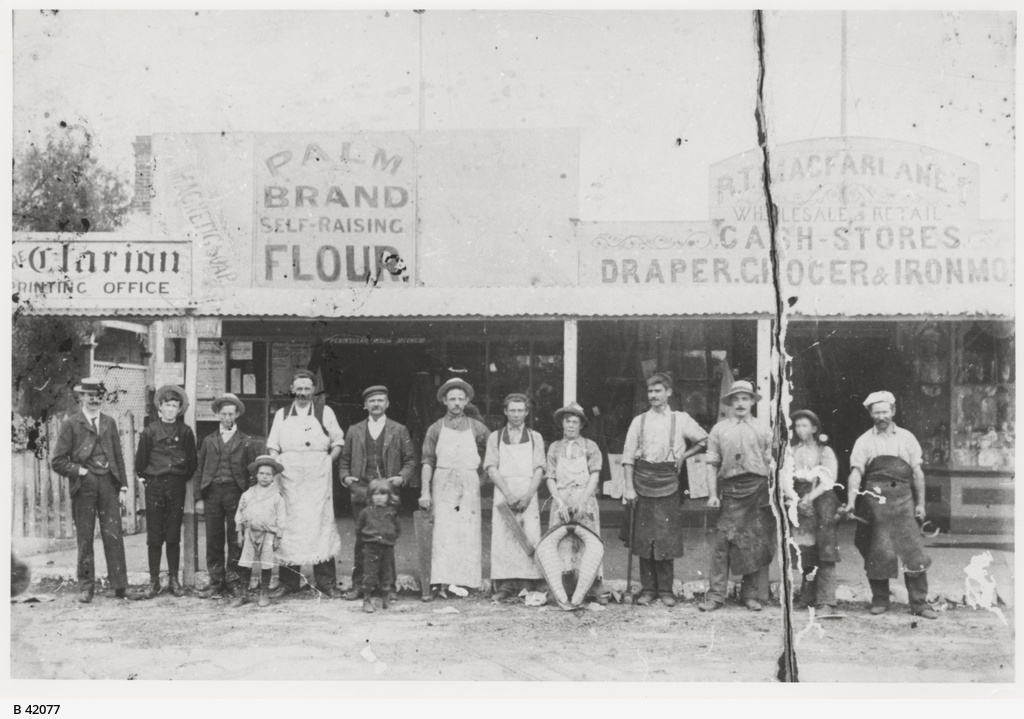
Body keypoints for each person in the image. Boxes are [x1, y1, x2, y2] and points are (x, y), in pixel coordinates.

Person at [842, 391, 937, 619]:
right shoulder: (864, 441)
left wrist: (921, 504)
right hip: (876, 503)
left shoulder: (907, 438)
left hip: (904, 501)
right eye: (877, 413)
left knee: (913, 553)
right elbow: (856, 473)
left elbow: (917, 474)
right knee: (878, 551)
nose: (881, 416)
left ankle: (919, 603)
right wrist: (851, 502)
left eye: (885, 411)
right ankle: (880, 600)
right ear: (871, 415)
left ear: (893, 412)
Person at [621, 373, 708, 607]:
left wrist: (683, 457)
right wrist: (629, 487)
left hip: (668, 484)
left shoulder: (681, 419)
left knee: (666, 539)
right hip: (641, 483)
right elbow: (628, 458)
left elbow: (705, 441)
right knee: (643, 539)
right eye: (650, 392)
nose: (653, 396)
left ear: (668, 393)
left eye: (658, 391)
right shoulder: (639, 421)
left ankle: (666, 590)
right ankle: (648, 590)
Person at [50, 378, 132, 603]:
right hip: (84, 486)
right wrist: (80, 471)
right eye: (89, 396)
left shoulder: (109, 422)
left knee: (113, 536)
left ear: (102, 398)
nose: (94, 400)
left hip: (108, 485)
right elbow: (57, 461)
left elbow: (117, 457)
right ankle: (86, 587)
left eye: (98, 396)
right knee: (85, 538)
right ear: (81, 398)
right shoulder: (72, 424)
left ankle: (120, 586)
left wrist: (122, 486)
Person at [699, 380, 776, 613]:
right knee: (722, 543)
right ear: (730, 402)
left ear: (752, 401)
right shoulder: (719, 429)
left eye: (745, 398)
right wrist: (712, 494)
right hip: (730, 490)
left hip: (758, 490)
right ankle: (716, 596)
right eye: (736, 399)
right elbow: (711, 464)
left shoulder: (764, 429)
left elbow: (773, 463)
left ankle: (750, 595)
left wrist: (774, 493)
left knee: (754, 543)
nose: (740, 403)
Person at [267, 369, 345, 598]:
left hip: (317, 477)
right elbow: (273, 446)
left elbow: (338, 442)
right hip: (289, 477)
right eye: (298, 389)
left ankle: (326, 581)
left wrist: (326, 463)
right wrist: (276, 466)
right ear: (292, 390)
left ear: (313, 390)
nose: (302, 393)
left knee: (321, 523)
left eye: (306, 389)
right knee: (289, 524)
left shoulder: (324, 411)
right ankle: (288, 582)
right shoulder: (282, 414)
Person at [339, 385, 418, 602]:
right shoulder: (355, 430)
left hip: (386, 493)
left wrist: (401, 478)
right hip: (361, 491)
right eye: (372, 401)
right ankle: (358, 586)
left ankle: (388, 587)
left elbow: (411, 459)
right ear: (365, 405)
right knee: (361, 540)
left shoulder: (398, 429)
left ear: (387, 404)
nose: (376, 404)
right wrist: (346, 477)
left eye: (380, 400)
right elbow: (344, 459)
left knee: (387, 540)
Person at [418, 378, 490, 599]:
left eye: (461, 399)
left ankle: (468, 581)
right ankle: (441, 580)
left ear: (467, 400)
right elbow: (427, 461)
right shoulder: (435, 428)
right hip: (443, 482)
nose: (457, 403)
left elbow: (494, 456)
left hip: (469, 483)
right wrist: (425, 491)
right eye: (452, 399)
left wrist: (481, 479)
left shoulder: (478, 427)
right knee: (444, 532)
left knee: (468, 532)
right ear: (444, 401)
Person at [193, 393, 260, 599]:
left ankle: (234, 580)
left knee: (235, 538)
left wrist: (249, 498)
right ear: (217, 415)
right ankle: (216, 581)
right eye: (223, 414)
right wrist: (199, 498)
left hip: (236, 494)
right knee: (213, 538)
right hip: (212, 493)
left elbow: (252, 473)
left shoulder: (246, 441)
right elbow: (200, 469)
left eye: (231, 414)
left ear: (237, 415)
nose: (227, 418)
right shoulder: (208, 440)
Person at [133, 385, 197, 599]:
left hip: (176, 487)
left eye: (174, 406)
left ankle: (173, 580)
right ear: (160, 407)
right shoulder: (150, 431)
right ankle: (153, 581)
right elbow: (140, 463)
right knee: (154, 535)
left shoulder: (186, 432)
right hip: (155, 486)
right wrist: (153, 480)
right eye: (167, 405)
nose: (170, 409)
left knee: (172, 534)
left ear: (179, 409)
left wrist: (176, 477)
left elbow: (192, 462)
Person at [544, 402, 609, 605]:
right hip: (561, 498)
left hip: (584, 497)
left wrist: (582, 501)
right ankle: (563, 589)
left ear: (581, 425)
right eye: (567, 421)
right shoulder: (555, 448)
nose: (570, 425)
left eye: (575, 422)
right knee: (562, 545)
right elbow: (550, 477)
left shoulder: (591, 446)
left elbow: (595, 475)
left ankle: (593, 589)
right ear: (562, 424)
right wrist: (559, 501)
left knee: (587, 543)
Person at [482, 393, 546, 601]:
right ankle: (505, 585)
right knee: (504, 538)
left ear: (526, 413)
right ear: (505, 411)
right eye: (512, 410)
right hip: (504, 490)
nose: (516, 414)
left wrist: (528, 495)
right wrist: (507, 494)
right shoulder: (496, 436)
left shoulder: (535, 437)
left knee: (528, 536)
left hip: (528, 490)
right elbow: (491, 467)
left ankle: (528, 583)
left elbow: (539, 468)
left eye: (520, 410)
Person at [780, 409, 840, 613]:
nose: (800, 429)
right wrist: (794, 498)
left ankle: (826, 600)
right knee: (805, 550)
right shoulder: (791, 451)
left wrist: (810, 498)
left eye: (805, 425)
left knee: (825, 549)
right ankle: (807, 596)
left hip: (822, 499)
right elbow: (785, 475)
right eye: (797, 426)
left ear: (814, 428)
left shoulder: (825, 451)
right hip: (799, 497)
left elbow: (828, 479)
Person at [234, 455, 287, 608]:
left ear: (273, 477)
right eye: (261, 473)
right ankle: (243, 593)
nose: (264, 477)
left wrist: (278, 536)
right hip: (250, 532)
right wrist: (239, 532)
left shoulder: (277, 496)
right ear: (256, 475)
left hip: (268, 534)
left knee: (266, 562)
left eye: (268, 474)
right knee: (245, 562)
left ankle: (264, 592)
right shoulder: (248, 494)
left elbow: (281, 518)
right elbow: (240, 513)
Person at [356, 478, 402, 613]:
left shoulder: (392, 512)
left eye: (383, 494)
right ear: (370, 496)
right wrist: (368, 538)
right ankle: (367, 599)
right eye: (375, 494)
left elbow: (398, 528)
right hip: (371, 547)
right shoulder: (366, 512)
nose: (379, 498)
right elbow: (359, 528)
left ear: (389, 495)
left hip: (387, 546)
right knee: (370, 573)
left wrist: (390, 537)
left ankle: (386, 599)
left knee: (387, 572)